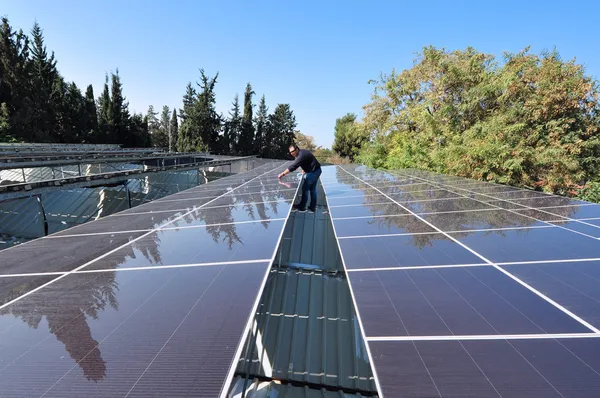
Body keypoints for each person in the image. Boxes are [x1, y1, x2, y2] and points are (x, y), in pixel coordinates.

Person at [278, 144, 322, 213]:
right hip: (316, 170)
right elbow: (307, 161)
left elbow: (293, 166)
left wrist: (282, 174)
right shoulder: (302, 153)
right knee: (312, 190)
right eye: (290, 152)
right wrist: (305, 169)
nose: (292, 153)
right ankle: (312, 208)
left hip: (314, 172)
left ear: (297, 149)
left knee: (305, 188)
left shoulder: (301, 155)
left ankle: (302, 207)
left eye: (293, 151)